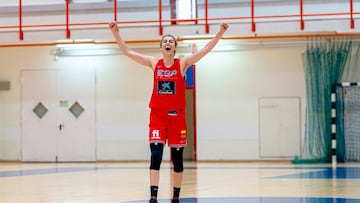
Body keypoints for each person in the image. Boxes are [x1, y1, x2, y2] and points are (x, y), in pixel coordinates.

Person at [109, 21, 229, 203]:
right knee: (155, 155)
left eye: (171, 41)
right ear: (161, 47)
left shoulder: (182, 64)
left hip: (177, 118)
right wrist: (115, 33)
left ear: (174, 47)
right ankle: (153, 197)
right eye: (165, 41)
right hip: (157, 117)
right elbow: (128, 52)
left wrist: (219, 33)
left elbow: (204, 50)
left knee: (178, 160)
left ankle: (175, 196)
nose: (167, 42)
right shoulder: (154, 63)